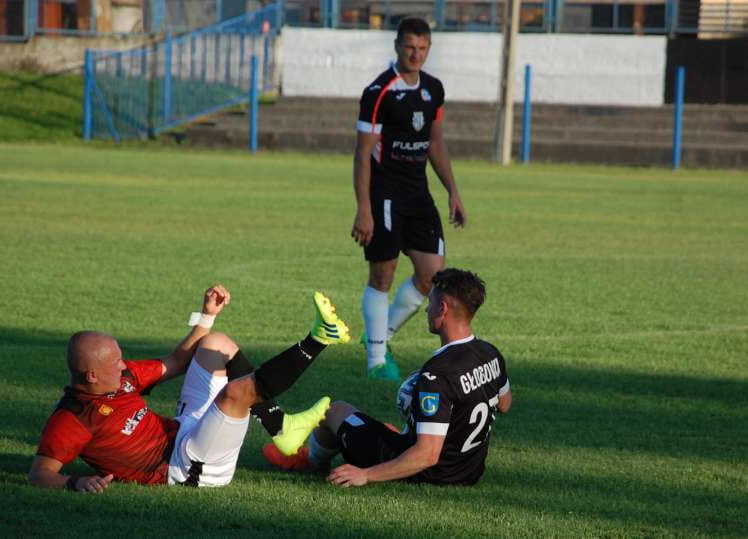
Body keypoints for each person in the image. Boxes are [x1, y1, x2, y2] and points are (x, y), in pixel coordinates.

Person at [27, 285, 350, 492]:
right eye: (116, 361)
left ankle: (281, 427)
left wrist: (206, 317)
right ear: (92, 376)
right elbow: (40, 473)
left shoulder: (121, 377)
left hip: (183, 430)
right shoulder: (73, 418)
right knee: (235, 394)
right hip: (186, 468)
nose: (124, 364)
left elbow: (175, 361)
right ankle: (319, 338)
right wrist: (76, 481)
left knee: (215, 344)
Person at [264, 268, 511, 486]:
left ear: (443, 308)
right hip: (469, 471)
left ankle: (308, 462)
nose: (427, 308)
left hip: (430, 473)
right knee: (392, 429)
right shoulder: (491, 353)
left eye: (431, 301)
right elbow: (504, 404)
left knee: (335, 411)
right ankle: (405, 435)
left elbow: (427, 455)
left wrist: (366, 474)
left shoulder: (437, 375)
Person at [351, 16, 467, 381]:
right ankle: (375, 362)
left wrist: (453, 191)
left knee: (433, 274)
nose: (415, 54)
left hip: (419, 193)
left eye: (422, 48)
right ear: (397, 47)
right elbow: (363, 152)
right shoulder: (378, 92)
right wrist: (364, 209)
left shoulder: (434, 89)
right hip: (385, 193)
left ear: (428, 48)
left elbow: (435, 143)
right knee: (383, 274)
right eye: (409, 47)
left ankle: (380, 336)